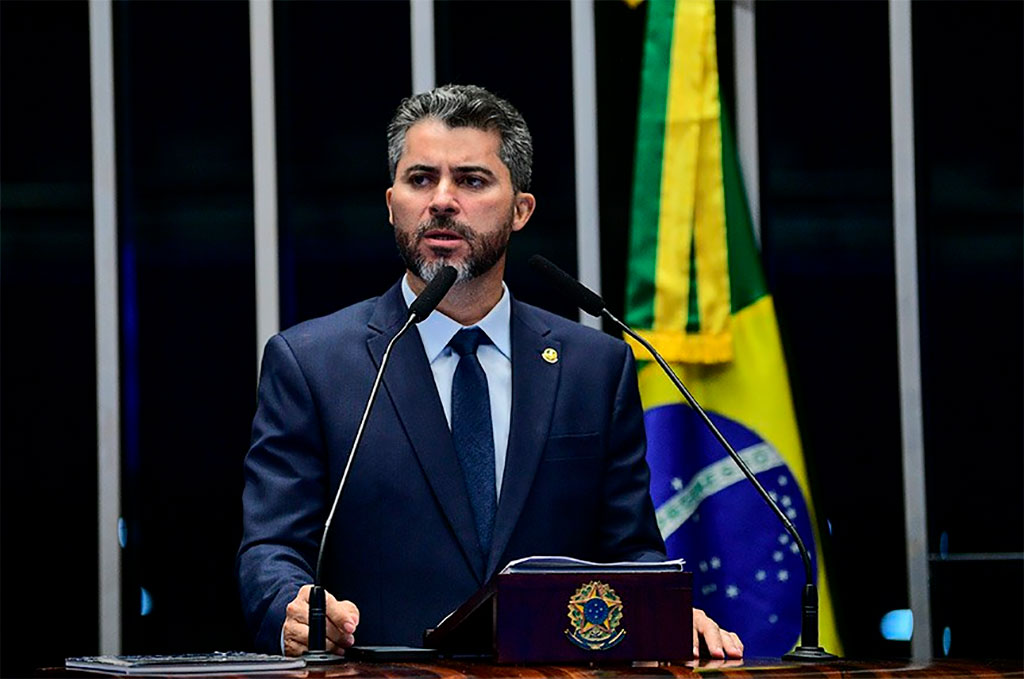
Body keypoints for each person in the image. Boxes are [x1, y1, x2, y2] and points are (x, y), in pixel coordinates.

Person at [237, 84, 743, 660]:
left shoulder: (594, 368)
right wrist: (290, 608)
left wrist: (664, 610)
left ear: (521, 209)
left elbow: (629, 551)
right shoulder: (314, 364)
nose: (442, 201)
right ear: (391, 203)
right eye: (421, 179)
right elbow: (271, 547)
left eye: (472, 181)